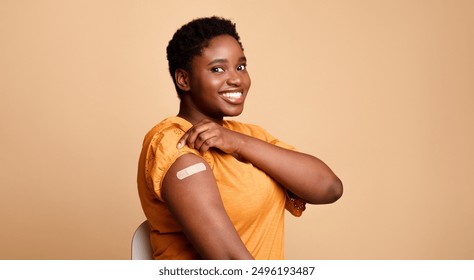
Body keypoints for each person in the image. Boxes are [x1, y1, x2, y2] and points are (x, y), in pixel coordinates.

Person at [137, 16, 343, 260]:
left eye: (241, 67)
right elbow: (230, 262)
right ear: (184, 79)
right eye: (217, 69)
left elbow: (329, 187)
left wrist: (237, 143)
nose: (236, 79)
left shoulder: (248, 136)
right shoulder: (174, 144)